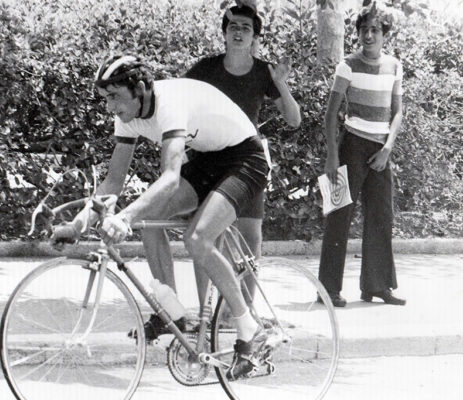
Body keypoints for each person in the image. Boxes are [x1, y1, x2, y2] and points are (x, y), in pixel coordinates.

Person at [62, 54, 272, 379]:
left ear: (142, 89)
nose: (109, 107)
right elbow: (113, 181)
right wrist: (78, 224)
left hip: (245, 158)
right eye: (105, 99)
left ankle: (249, 328)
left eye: (115, 97)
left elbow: (170, 177)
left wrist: (124, 218)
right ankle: (170, 311)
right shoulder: (126, 115)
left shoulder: (169, 101)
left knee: (198, 238)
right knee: (150, 217)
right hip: (209, 158)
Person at [178, 4, 301, 315]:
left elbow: (294, 120)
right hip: (210, 159)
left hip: (247, 162)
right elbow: (179, 103)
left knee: (250, 237)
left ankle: (244, 310)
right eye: (232, 26)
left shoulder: (264, 72)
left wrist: (281, 84)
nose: (238, 31)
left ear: (254, 36)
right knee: (209, 236)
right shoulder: (206, 68)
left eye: (246, 27)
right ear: (223, 32)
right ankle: (207, 314)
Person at [318, 2, 406, 307]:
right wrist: (332, 157)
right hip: (350, 146)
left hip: (381, 151)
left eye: (375, 30)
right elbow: (330, 114)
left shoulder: (395, 66)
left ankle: (377, 286)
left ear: (385, 34)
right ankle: (327, 289)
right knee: (339, 214)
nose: (368, 35)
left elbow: (397, 112)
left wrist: (387, 148)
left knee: (382, 216)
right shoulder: (348, 65)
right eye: (363, 30)